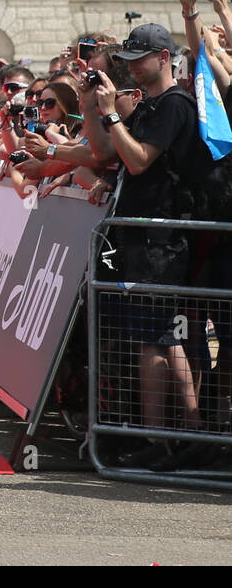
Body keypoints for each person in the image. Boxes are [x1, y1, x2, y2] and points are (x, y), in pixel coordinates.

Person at [84, 23, 203, 461]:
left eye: (140, 58)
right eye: (129, 59)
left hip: (160, 238)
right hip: (141, 236)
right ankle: (184, 436)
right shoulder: (151, 104)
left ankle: (162, 441)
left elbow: (136, 162)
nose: (132, 66)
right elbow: (104, 152)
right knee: (160, 339)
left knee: (155, 340)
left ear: (164, 58)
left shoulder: (173, 105)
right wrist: (95, 106)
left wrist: (114, 113)